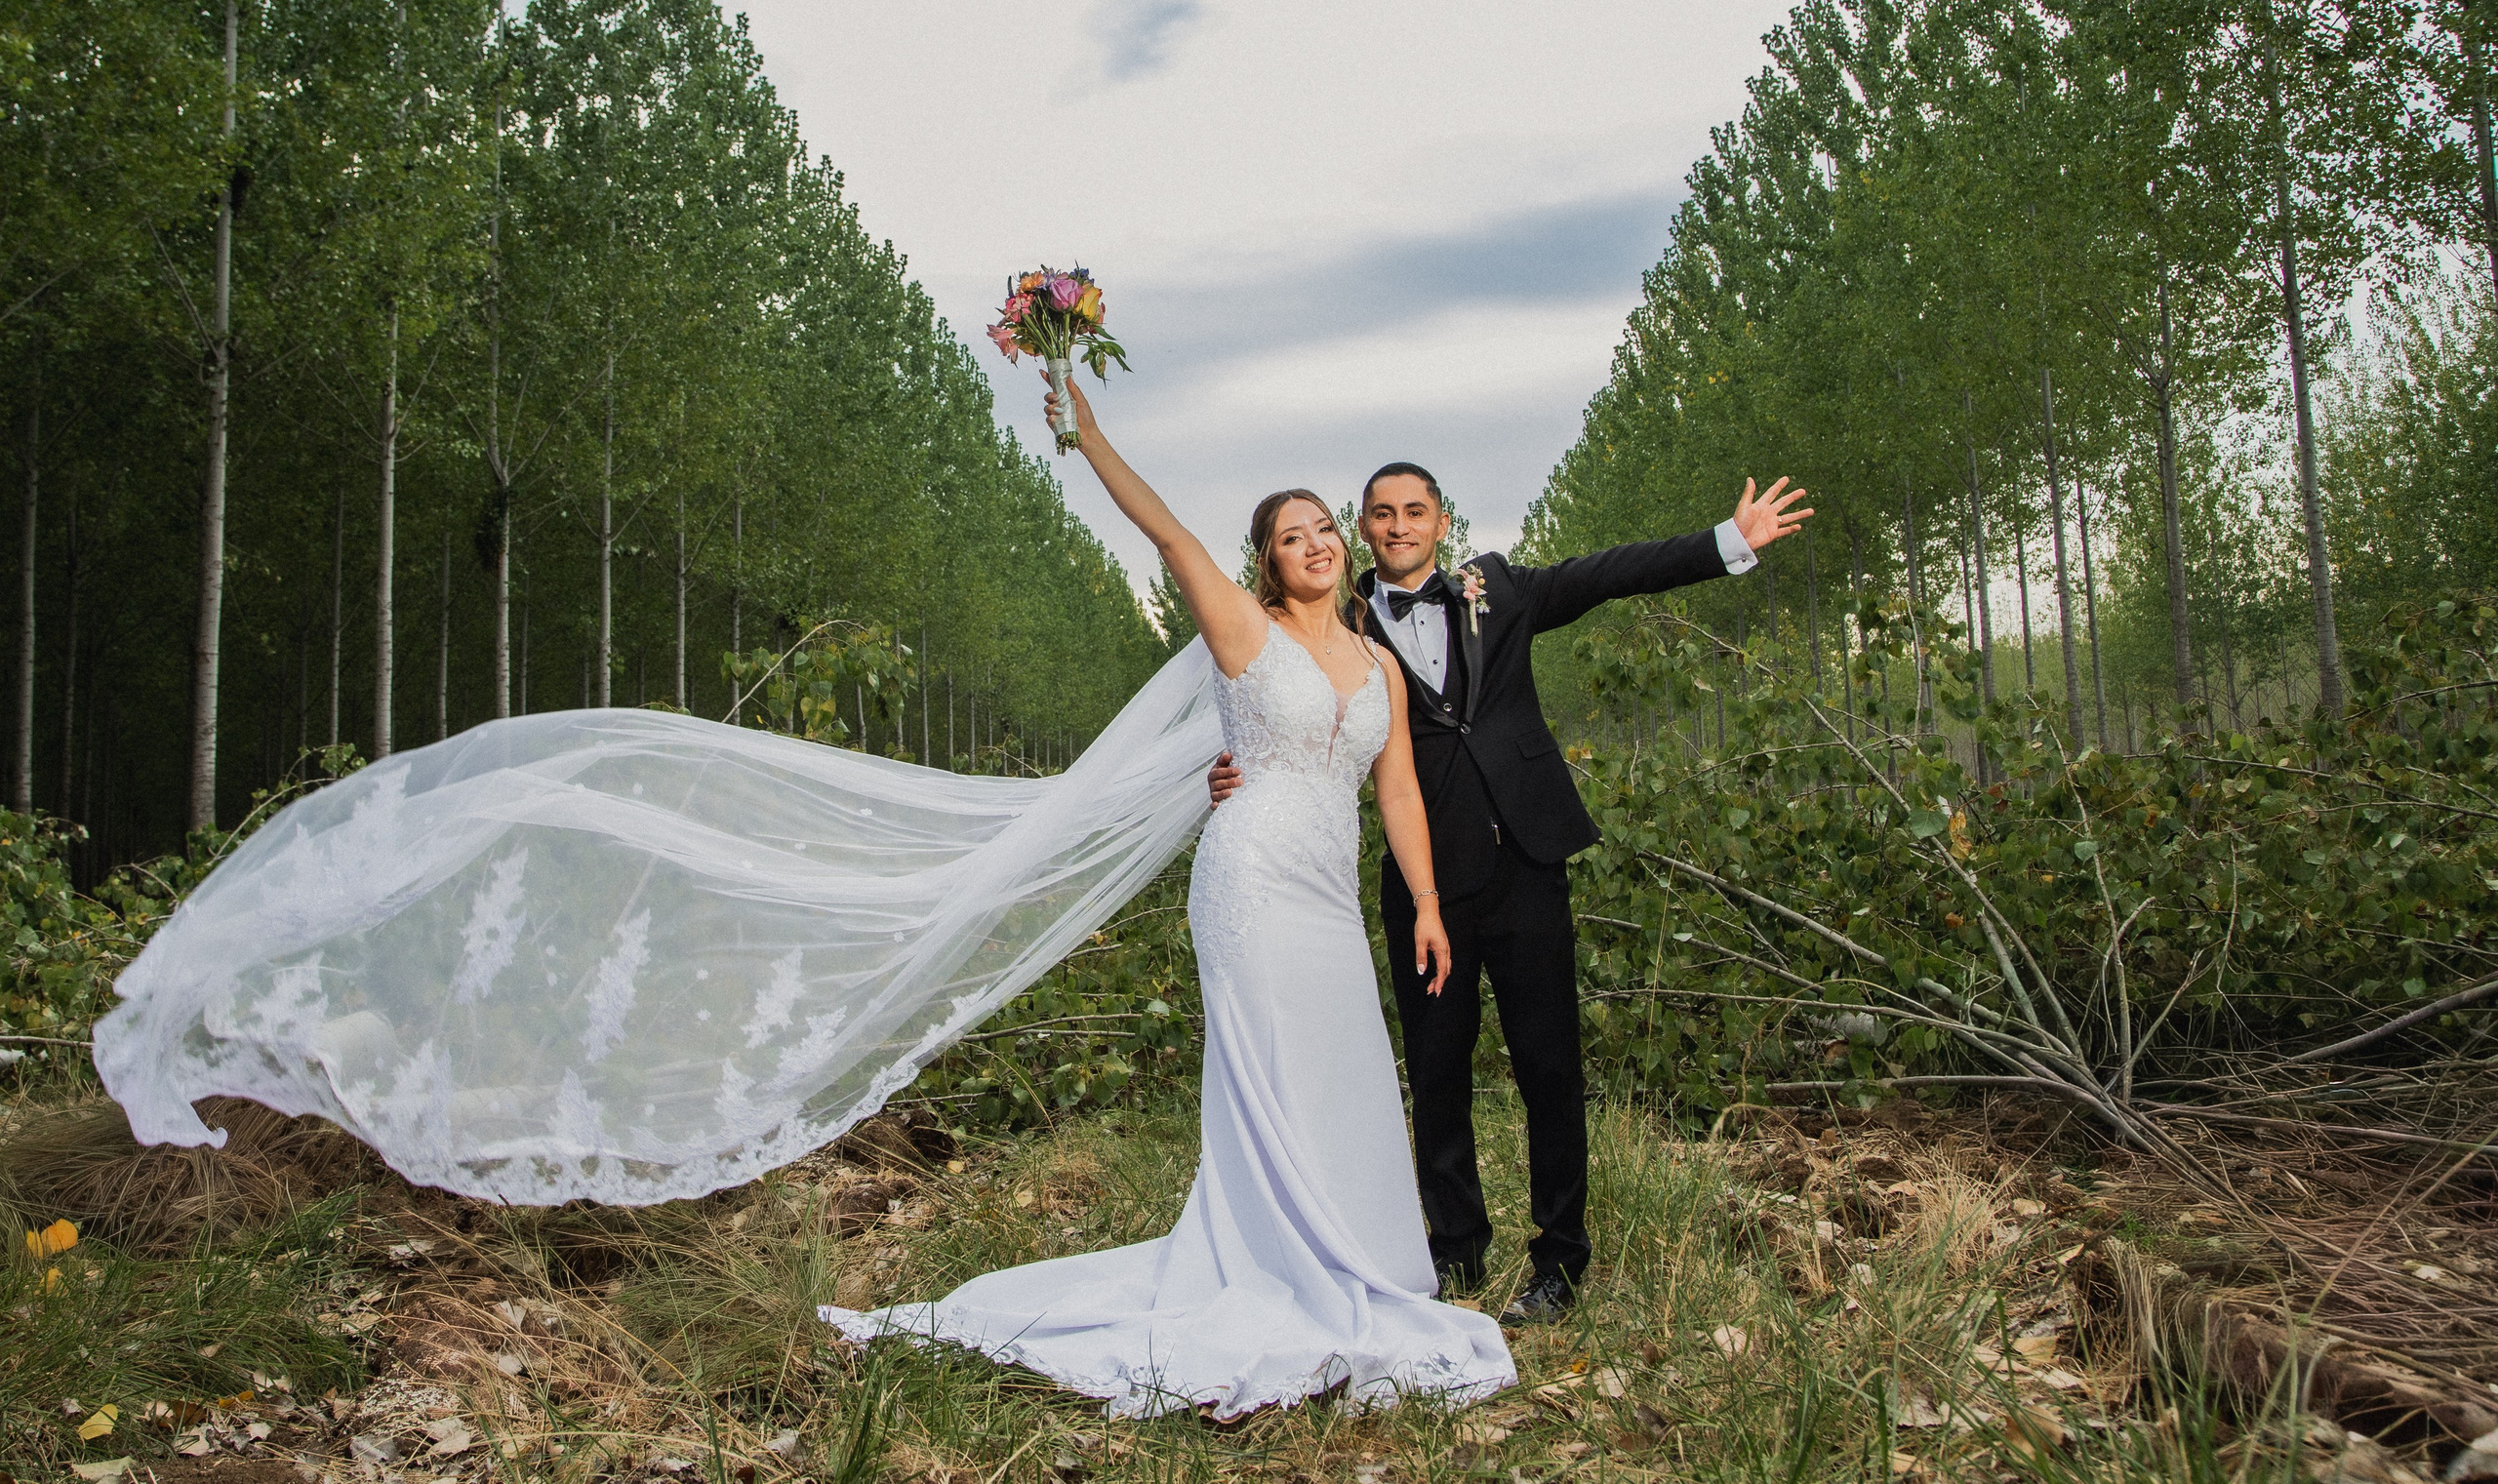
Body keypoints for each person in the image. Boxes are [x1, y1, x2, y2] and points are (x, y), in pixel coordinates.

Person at [822, 379, 1515, 1418]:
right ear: (1266, 562)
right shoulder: (1243, 628)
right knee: (1270, 1070)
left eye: (1326, 527)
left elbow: (1400, 788)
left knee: (1344, 1067)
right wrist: (1089, 432)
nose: (1318, 543)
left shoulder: (1374, 660)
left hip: (1328, 892)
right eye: (1293, 537)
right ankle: (1273, 1266)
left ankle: (1358, 1259)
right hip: (1248, 879)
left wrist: (1423, 903)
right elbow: (1163, 527)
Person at [1207, 460, 1813, 1323]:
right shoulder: (1334, 624)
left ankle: (1561, 1258)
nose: (1398, 525)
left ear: (1442, 521)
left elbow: (1605, 574)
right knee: (1437, 1076)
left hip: (1530, 859)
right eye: (1380, 513)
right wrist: (1233, 771)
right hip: (1426, 886)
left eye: (1415, 510)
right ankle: (1454, 1253)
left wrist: (1728, 542)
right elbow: (1268, 702)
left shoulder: (1499, 588)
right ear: (1364, 527)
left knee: (1549, 1069)